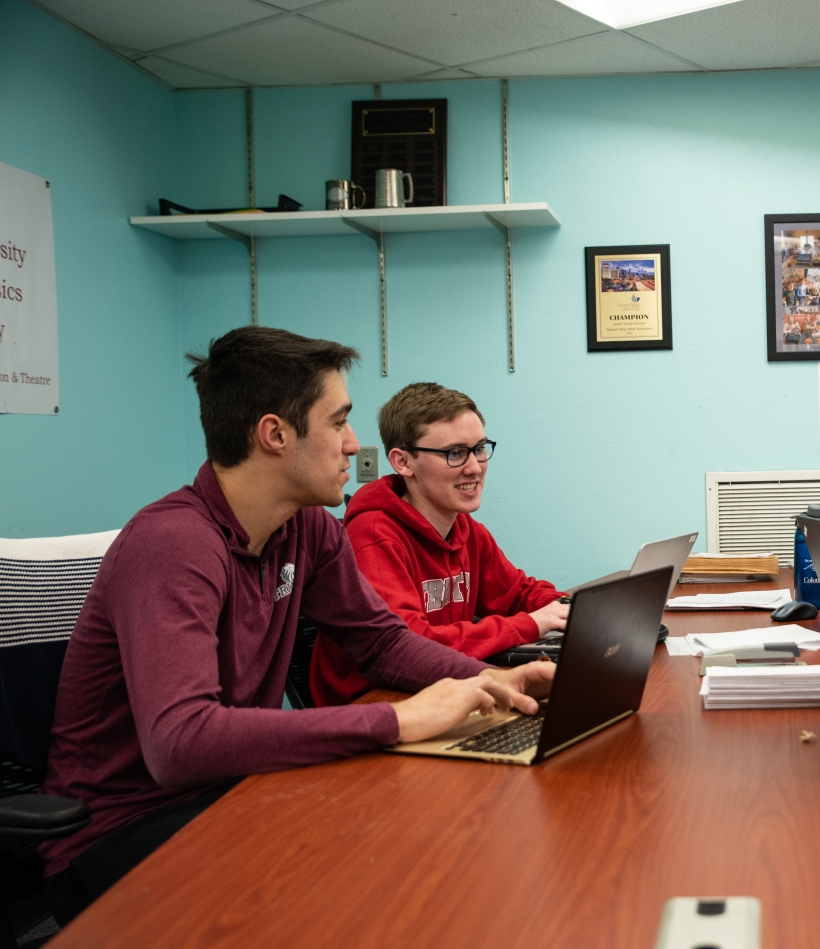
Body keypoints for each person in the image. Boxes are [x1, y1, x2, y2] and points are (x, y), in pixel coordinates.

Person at [39, 327, 552, 924]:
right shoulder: (173, 545)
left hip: (233, 792)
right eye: (338, 422)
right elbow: (179, 745)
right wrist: (395, 719)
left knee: (424, 843)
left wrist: (493, 681)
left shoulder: (306, 531)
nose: (352, 444)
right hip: (122, 832)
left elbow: (383, 644)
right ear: (274, 434)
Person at [310, 382, 569, 706]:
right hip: (376, 705)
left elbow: (518, 594)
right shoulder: (374, 537)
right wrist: (530, 624)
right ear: (403, 462)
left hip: (440, 689)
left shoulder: (464, 527)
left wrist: (571, 609)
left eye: (479, 448)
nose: (474, 467)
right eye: (455, 453)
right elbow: (408, 647)